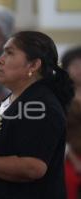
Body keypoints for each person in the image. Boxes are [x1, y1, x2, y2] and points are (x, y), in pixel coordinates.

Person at [0, 31, 74, 199]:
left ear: (33, 65)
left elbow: (33, 167)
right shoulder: (13, 100)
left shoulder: (41, 106)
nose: (0, 60)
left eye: (10, 53)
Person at [62, 47, 81, 199]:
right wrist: (75, 160)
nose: (79, 70)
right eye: (75, 66)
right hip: (69, 155)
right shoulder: (61, 97)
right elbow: (60, 134)